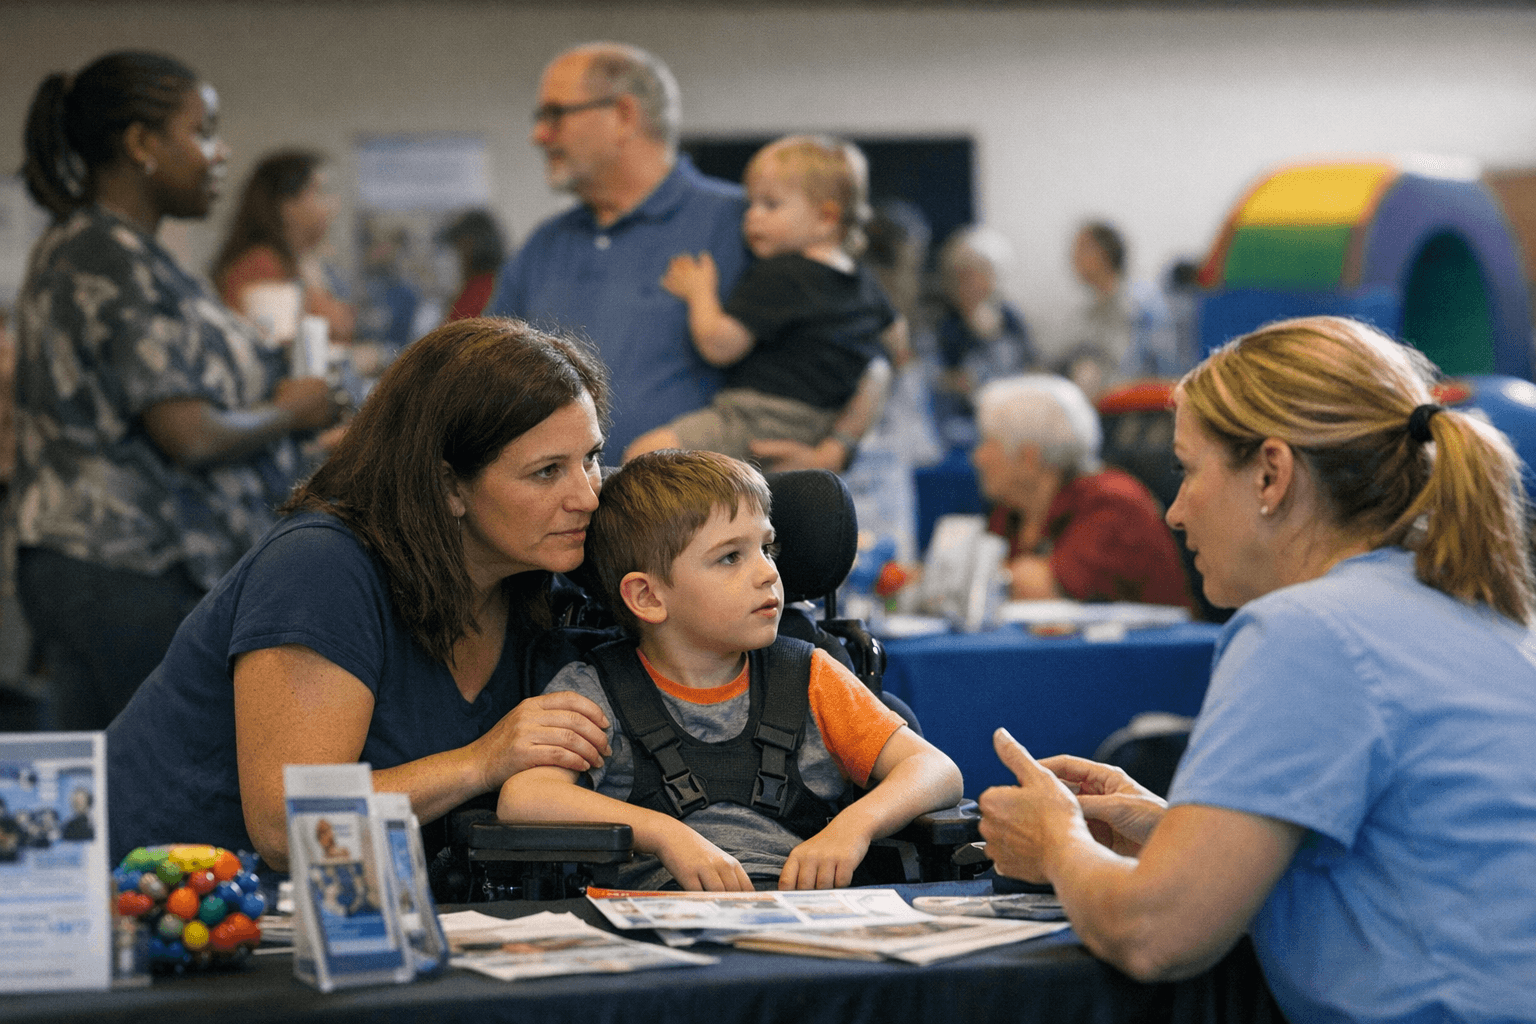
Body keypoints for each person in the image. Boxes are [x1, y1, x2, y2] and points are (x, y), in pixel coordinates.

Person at [977, 316, 1536, 1023]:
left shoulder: (1307, 631)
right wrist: (1175, 826)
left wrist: (1057, 841)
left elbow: (1153, 935)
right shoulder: (1486, 612)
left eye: (1188, 470)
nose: (1175, 512)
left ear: (1271, 473)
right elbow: (1410, 865)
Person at [106, 317, 615, 869]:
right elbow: (286, 825)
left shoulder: (539, 572)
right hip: (154, 913)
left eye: (589, 458)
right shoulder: (320, 566)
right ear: (447, 486)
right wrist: (479, 761)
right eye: (546, 473)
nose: (586, 496)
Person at [15, 51, 342, 730]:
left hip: (130, 569)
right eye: (203, 131)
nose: (221, 153)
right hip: (120, 567)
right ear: (141, 145)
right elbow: (188, 432)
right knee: (141, 789)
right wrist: (291, 410)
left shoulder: (137, 252)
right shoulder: (104, 256)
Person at [497, 449, 962, 891]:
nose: (767, 574)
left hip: (802, 911)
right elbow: (524, 798)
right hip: (658, 926)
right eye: (730, 557)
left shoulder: (811, 677)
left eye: (767, 549)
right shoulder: (592, 691)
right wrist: (663, 834)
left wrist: (854, 828)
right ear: (648, 597)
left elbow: (936, 770)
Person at [486, 42, 877, 471]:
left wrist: (836, 449)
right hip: (563, 519)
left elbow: (872, 349)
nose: (538, 135)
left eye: (555, 114)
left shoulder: (749, 226)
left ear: (624, 116)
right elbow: (480, 374)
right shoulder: (543, 245)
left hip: (696, 524)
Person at [625, 135, 902, 465]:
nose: (752, 217)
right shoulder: (863, 283)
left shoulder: (782, 273)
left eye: (771, 204)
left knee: (643, 458)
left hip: (760, 419)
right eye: (751, 204)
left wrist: (700, 292)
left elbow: (719, 345)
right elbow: (897, 343)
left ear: (826, 219)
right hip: (824, 425)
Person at [971, 374, 1189, 607]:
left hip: (1150, 643)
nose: (977, 457)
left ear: (1028, 458)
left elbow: (1044, 587)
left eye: (987, 442)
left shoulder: (1113, 500)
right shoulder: (1012, 511)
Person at [212, 148, 354, 346]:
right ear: (286, 205)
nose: (332, 205)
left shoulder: (297, 262)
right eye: (320, 192)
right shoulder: (260, 264)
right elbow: (331, 331)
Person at [931, 225, 1037, 442]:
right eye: (964, 275)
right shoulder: (943, 323)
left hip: (1011, 415)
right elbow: (935, 378)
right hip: (961, 421)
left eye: (981, 273)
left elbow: (1030, 366)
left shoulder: (1010, 318)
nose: (973, 284)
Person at [1062, 221, 1181, 396]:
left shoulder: (1138, 302)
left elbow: (1139, 367)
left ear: (1104, 253)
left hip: (1143, 398)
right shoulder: (1093, 311)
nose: (1073, 257)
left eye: (1082, 248)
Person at [440, 208, 506, 322]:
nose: (455, 254)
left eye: (457, 246)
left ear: (470, 245)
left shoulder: (480, 292)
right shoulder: (485, 285)